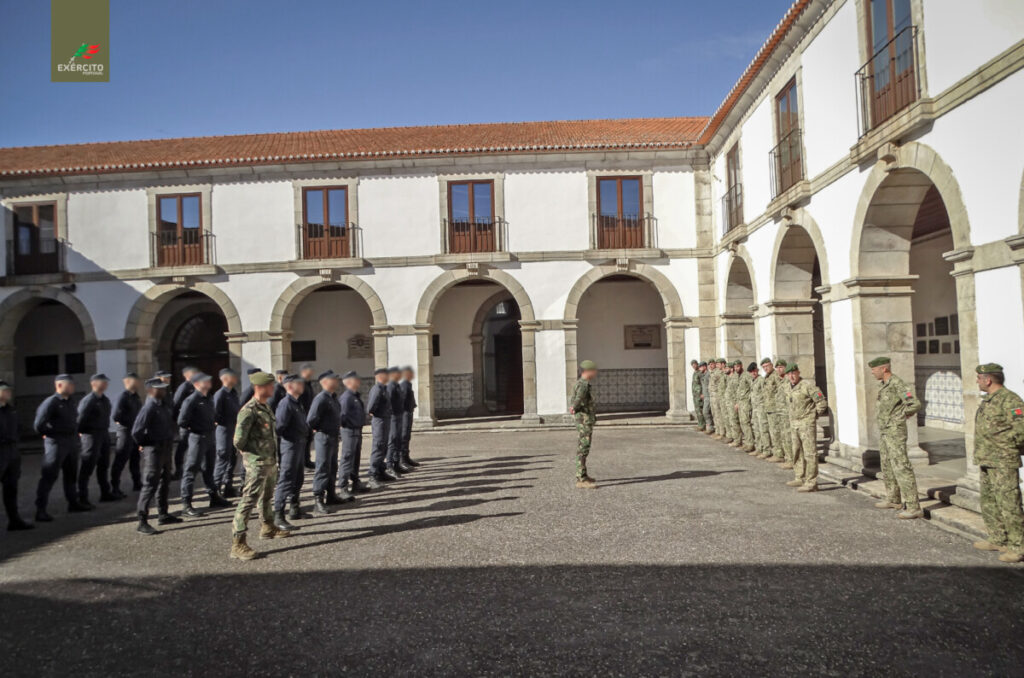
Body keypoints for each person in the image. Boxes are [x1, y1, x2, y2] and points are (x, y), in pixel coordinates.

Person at [230, 371, 290, 561]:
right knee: (248, 500)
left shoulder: (265, 407)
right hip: (257, 463)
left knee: (267, 496)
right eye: (270, 385)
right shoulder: (249, 410)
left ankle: (267, 527)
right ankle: (238, 543)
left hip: (269, 461)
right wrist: (252, 454)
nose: (273, 388)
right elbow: (238, 441)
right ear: (260, 387)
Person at [971, 363, 1024, 563]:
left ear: (988, 380)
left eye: (978, 378)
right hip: (986, 458)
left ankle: (1018, 546)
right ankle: (998, 538)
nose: (977, 381)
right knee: (989, 502)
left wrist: (1004, 446)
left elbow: (1021, 430)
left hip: (1003, 460)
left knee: (1009, 504)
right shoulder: (989, 400)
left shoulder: (1010, 400)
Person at [869, 356, 923, 519]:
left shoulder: (897, 384)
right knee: (887, 464)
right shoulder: (884, 385)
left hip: (895, 431)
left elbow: (914, 403)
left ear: (884, 369)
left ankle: (914, 506)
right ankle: (893, 498)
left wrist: (900, 416)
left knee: (901, 465)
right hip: (885, 431)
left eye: (874, 369)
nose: (872, 373)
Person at [178, 372, 232, 516]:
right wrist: (196, 428)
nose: (209, 382)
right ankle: (186, 503)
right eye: (205, 381)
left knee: (209, 468)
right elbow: (182, 421)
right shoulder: (191, 400)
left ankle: (213, 497)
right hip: (197, 437)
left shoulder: (208, 399)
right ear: (196, 384)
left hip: (209, 436)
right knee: (191, 469)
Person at [132, 377, 182, 535]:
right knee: (150, 483)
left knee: (164, 481)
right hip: (154, 449)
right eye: (160, 388)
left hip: (165, 448)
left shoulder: (162, 405)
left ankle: (163, 513)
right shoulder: (149, 407)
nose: (164, 390)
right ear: (151, 390)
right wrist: (146, 443)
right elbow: (136, 431)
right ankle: (142, 520)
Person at [34, 374, 86, 521]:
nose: (72, 387)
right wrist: (51, 434)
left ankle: (73, 502)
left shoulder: (70, 402)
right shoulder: (51, 402)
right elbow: (39, 425)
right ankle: (41, 509)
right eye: (69, 384)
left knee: (71, 475)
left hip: (70, 444)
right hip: (56, 444)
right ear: (59, 385)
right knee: (49, 476)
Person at [784, 364, 827, 492]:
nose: (791, 376)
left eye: (794, 373)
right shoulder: (788, 387)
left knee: (810, 453)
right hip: (794, 424)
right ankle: (799, 477)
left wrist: (812, 416)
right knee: (797, 451)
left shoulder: (807, 386)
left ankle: (811, 482)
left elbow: (821, 402)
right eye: (789, 374)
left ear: (798, 372)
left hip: (806, 424)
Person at [273, 374, 308, 532]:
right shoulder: (286, 403)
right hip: (290, 445)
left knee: (298, 477)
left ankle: (295, 508)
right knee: (286, 478)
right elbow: (279, 427)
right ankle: (278, 515)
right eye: (298, 383)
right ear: (290, 386)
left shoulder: (296, 403)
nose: (302, 386)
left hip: (299, 444)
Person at [307, 370, 343, 515]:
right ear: (325, 382)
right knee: (322, 467)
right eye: (334, 379)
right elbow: (311, 419)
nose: (337, 382)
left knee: (332, 466)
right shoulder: (321, 398)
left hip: (333, 436)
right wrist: (318, 429)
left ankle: (331, 495)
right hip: (324, 437)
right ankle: (318, 499)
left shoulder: (333, 398)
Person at [76, 373, 114, 505]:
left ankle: (105, 492)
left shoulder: (104, 400)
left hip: (103, 434)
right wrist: (81, 432)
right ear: (93, 383)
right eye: (102, 382)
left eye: (106, 382)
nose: (105, 384)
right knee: (87, 466)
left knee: (103, 465)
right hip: (91, 435)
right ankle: (82, 496)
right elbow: (80, 419)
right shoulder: (89, 400)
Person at [0, 381, 32, 531]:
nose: (8, 393)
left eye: (9, 390)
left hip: (12, 453)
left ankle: (14, 520)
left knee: (11, 488)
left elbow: (19, 428)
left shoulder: (11, 410)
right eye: (5, 390)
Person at [110, 372, 142, 496]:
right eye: (136, 381)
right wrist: (128, 423)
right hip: (125, 432)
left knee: (135, 458)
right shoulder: (123, 397)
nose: (138, 383)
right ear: (128, 382)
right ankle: (115, 487)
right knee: (120, 459)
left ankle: (137, 482)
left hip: (134, 432)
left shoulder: (136, 397)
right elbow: (116, 416)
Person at [213, 368, 242, 498]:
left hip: (233, 430)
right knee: (223, 457)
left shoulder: (233, 393)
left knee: (232, 458)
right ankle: (216, 488)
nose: (236, 379)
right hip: (224, 430)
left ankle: (228, 486)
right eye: (233, 377)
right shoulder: (220, 394)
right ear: (225, 378)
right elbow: (215, 414)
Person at [570, 360, 599, 489]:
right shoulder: (583, 385)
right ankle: (581, 479)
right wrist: (574, 408)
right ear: (587, 371)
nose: (595, 372)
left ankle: (583, 475)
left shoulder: (581, 383)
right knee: (583, 448)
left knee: (583, 447)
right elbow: (578, 399)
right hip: (584, 420)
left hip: (583, 419)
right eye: (593, 370)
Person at [339, 371, 367, 497]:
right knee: (347, 458)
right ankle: (343, 486)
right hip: (349, 431)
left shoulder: (355, 396)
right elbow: (342, 416)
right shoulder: (347, 397)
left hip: (357, 430)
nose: (359, 381)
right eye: (356, 379)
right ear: (349, 382)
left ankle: (355, 482)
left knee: (355, 458)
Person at [366, 368, 393, 488]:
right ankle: (373, 475)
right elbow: (371, 407)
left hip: (385, 419)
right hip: (379, 420)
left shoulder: (384, 388)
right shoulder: (377, 389)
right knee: (378, 445)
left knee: (383, 446)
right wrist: (373, 413)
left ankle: (381, 470)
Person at [171, 365, 198, 479]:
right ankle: (178, 469)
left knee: (195, 445)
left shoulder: (194, 386)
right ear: (188, 376)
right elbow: (176, 404)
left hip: (194, 422)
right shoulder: (184, 387)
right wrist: (180, 421)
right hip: (186, 423)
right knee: (182, 446)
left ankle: (196, 466)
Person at [385, 366, 408, 477]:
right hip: (393, 416)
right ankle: (389, 466)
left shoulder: (397, 385)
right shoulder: (390, 386)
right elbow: (387, 401)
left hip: (399, 415)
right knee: (392, 441)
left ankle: (396, 463)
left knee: (398, 440)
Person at [771, 359, 793, 467]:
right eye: (777, 368)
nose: (779, 369)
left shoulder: (788, 380)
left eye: (781, 367)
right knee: (783, 436)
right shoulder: (777, 380)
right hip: (779, 411)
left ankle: (791, 459)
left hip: (787, 412)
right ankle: (785, 457)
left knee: (788, 437)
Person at [753, 359, 774, 460]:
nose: (765, 368)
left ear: (771, 365)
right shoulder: (766, 378)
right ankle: (763, 449)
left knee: (769, 431)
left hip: (774, 409)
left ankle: (769, 451)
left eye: (767, 366)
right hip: (765, 408)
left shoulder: (775, 377)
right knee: (761, 429)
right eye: (764, 367)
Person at [298, 363, 317, 470]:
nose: (312, 373)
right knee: (304, 441)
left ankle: (307, 460)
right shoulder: (301, 384)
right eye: (310, 371)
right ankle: (303, 462)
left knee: (309, 439)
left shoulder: (308, 384)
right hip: (304, 416)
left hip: (309, 415)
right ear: (304, 372)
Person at [400, 366, 419, 467]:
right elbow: (402, 400)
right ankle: (402, 459)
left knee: (407, 435)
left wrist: (413, 406)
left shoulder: (408, 384)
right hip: (405, 413)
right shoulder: (404, 385)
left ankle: (406, 456)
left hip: (408, 412)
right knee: (404, 435)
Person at [733, 361, 754, 452]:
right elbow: (738, 391)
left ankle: (750, 444)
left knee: (746, 423)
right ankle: (747, 442)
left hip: (746, 403)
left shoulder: (746, 375)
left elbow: (752, 387)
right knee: (742, 423)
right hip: (740, 403)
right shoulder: (738, 376)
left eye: (738, 366)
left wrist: (748, 400)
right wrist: (737, 403)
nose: (736, 368)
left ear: (741, 366)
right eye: (735, 367)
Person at [691, 360, 706, 431]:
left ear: (697, 364)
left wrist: (702, 393)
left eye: (694, 364)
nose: (694, 366)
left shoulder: (700, 373)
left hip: (700, 395)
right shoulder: (695, 373)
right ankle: (700, 424)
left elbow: (703, 384)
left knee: (700, 410)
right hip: (695, 395)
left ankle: (703, 425)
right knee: (697, 411)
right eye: (692, 365)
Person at [700, 361, 713, 435]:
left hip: (708, 396)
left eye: (701, 367)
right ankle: (709, 427)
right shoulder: (703, 375)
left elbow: (710, 385)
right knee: (706, 411)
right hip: (705, 396)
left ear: (705, 367)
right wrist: (702, 393)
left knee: (705, 411)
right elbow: (704, 386)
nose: (700, 368)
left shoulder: (708, 374)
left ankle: (710, 427)